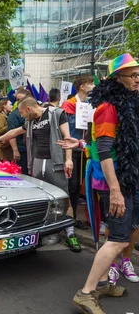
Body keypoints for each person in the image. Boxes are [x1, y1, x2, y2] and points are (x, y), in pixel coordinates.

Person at [59, 54, 139, 314]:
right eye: (132, 75)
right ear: (117, 79)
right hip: (113, 182)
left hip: (125, 179)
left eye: (138, 74)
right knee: (118, 238)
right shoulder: (107, 107)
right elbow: (104, 150)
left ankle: (104, 284)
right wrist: (116, 191)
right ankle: (86, 292)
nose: (137, 79)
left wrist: (81, 146)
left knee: (120, 236)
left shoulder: (128, 103)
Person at [0, 96, 81, 252]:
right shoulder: (31, 122)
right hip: (38, 162)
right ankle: (41, 233)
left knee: (64, 198)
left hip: (56, 162)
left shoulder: (57, 114)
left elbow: (68, 139)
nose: (22, 116)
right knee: (40, 199)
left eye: (23, 113)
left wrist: (69, 160)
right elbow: (14, 131)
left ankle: (71, 234)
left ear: (29, 109)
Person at [61, 75, 95, 228]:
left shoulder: (90, 104)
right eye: (91, 83)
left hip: (85, 149)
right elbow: (67, 130)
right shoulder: (69, 104)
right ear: (82, 86)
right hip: (72, 150)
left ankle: (75, 217)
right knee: (72, 185)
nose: (93, 86)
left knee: (81, 184)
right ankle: (70, 217)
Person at [6, 95, 29, 174]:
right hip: (21, 149)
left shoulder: (30, 114)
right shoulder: (14, 115)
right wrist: (15, 150)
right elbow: (12, 133)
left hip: (29, 149)